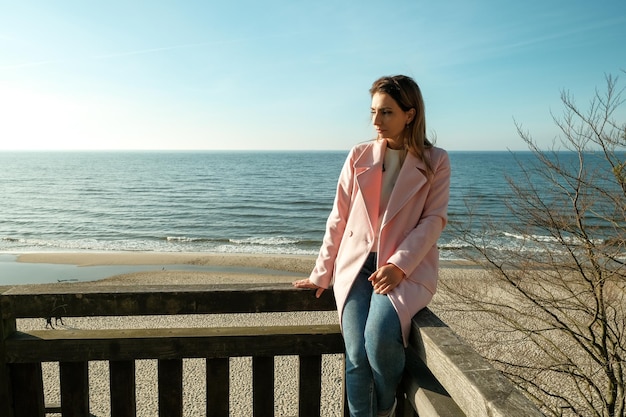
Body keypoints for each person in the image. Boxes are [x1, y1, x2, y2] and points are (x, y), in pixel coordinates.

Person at [293, 75, 450, 417]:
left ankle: (386, 404)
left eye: (386, 112)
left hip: (401, 269)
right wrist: (322, 273)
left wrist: (399, 266)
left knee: (378, 341)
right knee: (356, 354)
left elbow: (434, 220)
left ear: (410, 114)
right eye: (373, 112)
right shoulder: (359, 155)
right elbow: (339, 217)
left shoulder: (435, 160)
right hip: (357, 264)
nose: (375, 121)